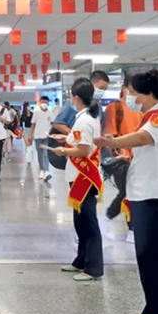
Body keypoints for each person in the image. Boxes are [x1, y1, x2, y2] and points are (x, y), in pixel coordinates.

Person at [94, 68, 158, 314]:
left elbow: (143, 139)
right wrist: (121, 154)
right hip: (143, 196)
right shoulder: (149, 118)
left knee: (157, 260)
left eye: (132, 92)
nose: (128, 96)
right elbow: (144, 148)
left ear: (148, 94)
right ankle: (151, 309)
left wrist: (113, 141)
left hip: (156, 198)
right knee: (145, 259)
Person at [52, 79, 103, 281]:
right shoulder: (89, 117)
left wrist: (63, 149)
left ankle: (94, 267)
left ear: (75, 98)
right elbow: (82, 142)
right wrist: (65, 140)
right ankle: (81, 260)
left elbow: (83, 150)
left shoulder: (83, 120)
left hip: (84, 178)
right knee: (80, 221)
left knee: (88, 222)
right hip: (80, 176)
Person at [103, 76, 143, 243]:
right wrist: (115, 153)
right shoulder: (115, 107)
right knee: (127, 192)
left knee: (133, 193)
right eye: (132, 89)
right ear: (125, 88)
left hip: (140, 157)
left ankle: (109, 220)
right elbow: (110, 134)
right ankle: (130, 227)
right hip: (122, 158)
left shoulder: (143, 109)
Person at [52, 71, 110, 135]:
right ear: (90, 84)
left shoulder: (98, 108)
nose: (102, 92)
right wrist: (73, 135)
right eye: (101, 88)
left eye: (105, 89)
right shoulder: (74, 104)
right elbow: (57, 123)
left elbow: (100, 129)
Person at [30, 96, 53, 181]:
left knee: (45, 154)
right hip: (37, 136)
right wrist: (30, 135)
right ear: (40, 102)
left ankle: (46, 171)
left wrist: (50, 133)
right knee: (40, 154)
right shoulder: (36, 112)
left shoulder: (50, 113)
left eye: (46, 102)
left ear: (48, 103)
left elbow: (53, 124)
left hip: (46, 137)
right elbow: (33, 124)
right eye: (42, 102)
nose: (44, 104)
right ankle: (42, 170)